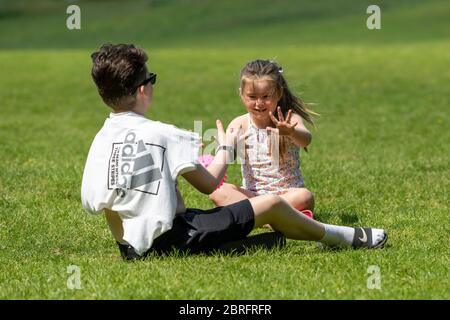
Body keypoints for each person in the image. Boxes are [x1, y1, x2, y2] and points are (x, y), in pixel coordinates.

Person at [81, 43, 388, 261]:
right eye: (152, 79)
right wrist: (225, 147)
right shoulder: (163, 134)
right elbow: (209, 184)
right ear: (143, 89)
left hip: (132, 245)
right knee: (269, 203)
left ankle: (254, 241)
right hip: (176, 236)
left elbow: (98, 201)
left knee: (227, 218)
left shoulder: (100, 139)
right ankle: (343, 237)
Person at [210, 59, 317, 216]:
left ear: (279, 93)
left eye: (266, 96)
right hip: (252, 195)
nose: (259, 103)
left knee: (304, 196)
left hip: (286, 196)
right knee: (218, 191)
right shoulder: (240, 123)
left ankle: (255, 216)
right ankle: (273, 216)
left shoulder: (289, 119)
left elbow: (306, 139)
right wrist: (225, 147)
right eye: (252, 97)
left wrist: (291, 132)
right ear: (241, 94)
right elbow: (227, 158)